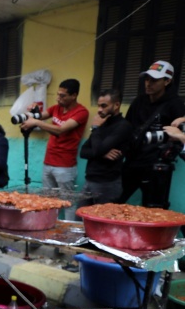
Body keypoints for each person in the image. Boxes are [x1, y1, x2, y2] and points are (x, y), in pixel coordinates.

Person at [19, 78, 88, 219]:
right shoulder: (56, 108)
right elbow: (39, 115)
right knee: (48, 200)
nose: (58, 98)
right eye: (58, 94)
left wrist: (36, 121)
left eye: (62, 96)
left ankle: (68, 233)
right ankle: (49, 228)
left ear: (74, 95)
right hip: (48, 162)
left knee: (67, 201)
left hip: (65, 165)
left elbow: (60, 130)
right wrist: (31, 113)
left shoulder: (81, 112)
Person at [120, 60, 185, 208]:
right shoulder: (139, 100)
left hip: (156, 166)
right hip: (132, 161)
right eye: (147, 79)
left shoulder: (175, 104)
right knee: (115, 202)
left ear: (167, 81)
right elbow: (127, 126)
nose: (148, 84)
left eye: (154, 80)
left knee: (154, 208)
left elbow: (178, 132)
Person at [77, 89, 134, 209]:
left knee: (102, 224)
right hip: (89, 180)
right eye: (98, 106)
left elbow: (96, 150)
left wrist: (96, 128)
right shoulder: (103, 123)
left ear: (117, 105)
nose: (99, 110)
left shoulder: (123, 126)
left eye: (104, 106)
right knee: (79, 221)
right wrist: (102, 154)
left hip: (107, 184)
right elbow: (83, 151)